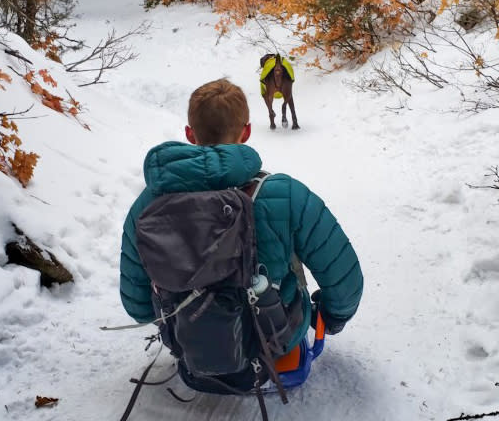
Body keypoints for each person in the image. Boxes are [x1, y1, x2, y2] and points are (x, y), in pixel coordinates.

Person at [119, 78, 363, 368]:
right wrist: (333, 316)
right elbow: (344, 280)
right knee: (289, 252)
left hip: (188, 341)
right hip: (274, 338)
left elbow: (138, 306)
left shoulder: (148, 204)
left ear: (190, 134)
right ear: (246, 132)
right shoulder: (285, 193)